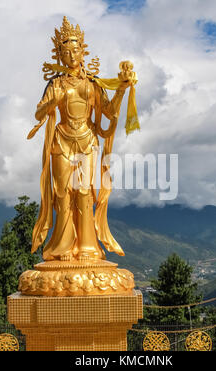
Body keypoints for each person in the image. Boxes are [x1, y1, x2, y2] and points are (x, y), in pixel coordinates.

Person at [27, 16, 139, 262]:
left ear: (82, 52)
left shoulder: (93, 84)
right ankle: (62, 246)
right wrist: (50, 103)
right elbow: (38, 113)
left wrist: (120, 89)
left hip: (87, 140)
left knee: (84, 192)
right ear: (59, 55)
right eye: (65, 51)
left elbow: (109, 112)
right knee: (62, 193)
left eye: (75, 50)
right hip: (61, 141)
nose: (71, 55)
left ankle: (88, 246)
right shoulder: (54, 84)